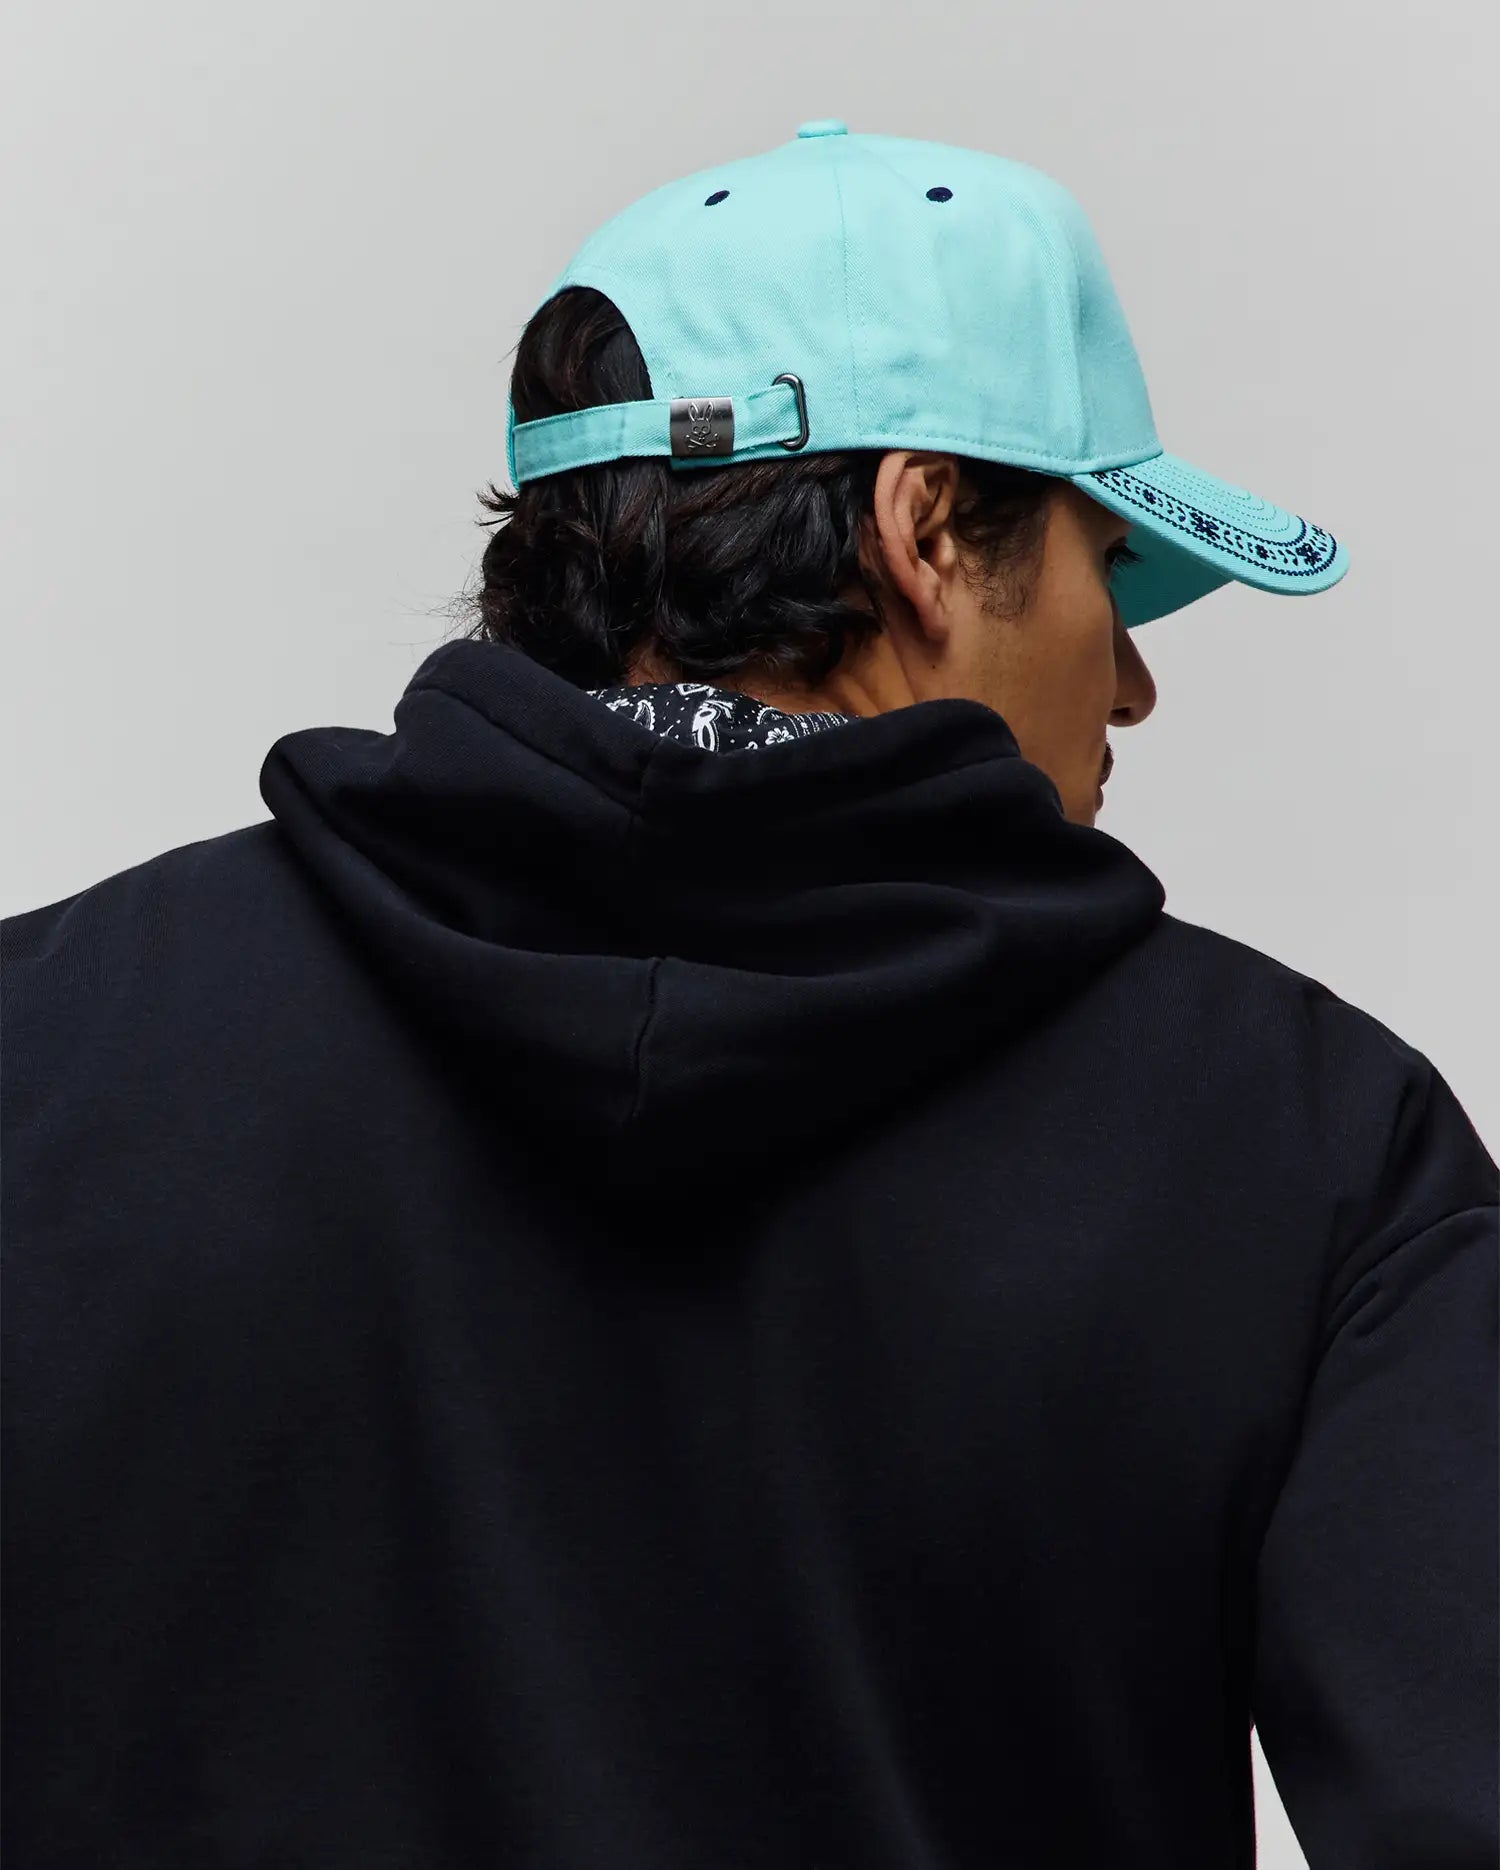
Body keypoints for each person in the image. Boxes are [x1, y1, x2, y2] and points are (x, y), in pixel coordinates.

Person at [3, 122, 1495, 1869]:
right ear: (924, 530)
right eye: (1110, 563)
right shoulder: (1313, 1157)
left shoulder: (45, 1053)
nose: (1134, 684)